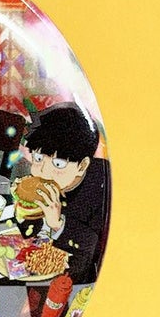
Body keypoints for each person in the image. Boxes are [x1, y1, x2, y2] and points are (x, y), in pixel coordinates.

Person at [13, 103, 111, 283]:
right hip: (31, 265)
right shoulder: (39, 183)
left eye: (58, 164)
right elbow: (28, 232)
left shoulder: (102, 188)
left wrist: (59, 224)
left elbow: (95, 250)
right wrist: (25, 209)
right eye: (38, 158)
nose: (43, 172)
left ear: (82, 166)